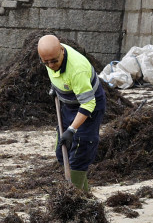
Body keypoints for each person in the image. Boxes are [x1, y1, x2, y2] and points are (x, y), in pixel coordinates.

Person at [38, 35, 106, 192]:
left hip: (89, 106)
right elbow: (57, 75)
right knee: (62, 152)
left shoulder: (77, 69)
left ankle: (76, 198)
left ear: (61, 50)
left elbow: (88, 103)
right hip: (68, 104)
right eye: (45, 62)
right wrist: (56, 87)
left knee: (80, 152)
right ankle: (84, 193)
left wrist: (72, 129)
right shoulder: (49, 56)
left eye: (54, 61)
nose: (50, 65)